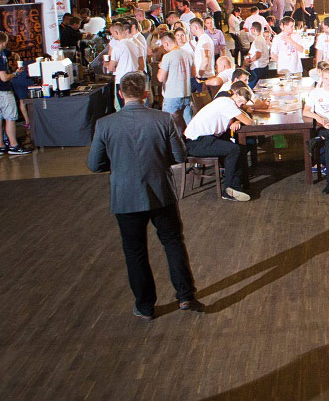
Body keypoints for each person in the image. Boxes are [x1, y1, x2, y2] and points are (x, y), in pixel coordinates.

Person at [87, 71, 201, 320]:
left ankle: (145, 305)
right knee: (172, 242)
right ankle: (185, 296)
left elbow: (94, 164)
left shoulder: (105, 124)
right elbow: (180, 156)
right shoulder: (164, 119)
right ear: (146, 94)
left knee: (135, 251)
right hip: (161, 192)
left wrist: (118, 165)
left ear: (120, 94)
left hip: (125, 196)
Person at [182, 82, 254, 201]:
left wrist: (237, 121)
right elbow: (249, 122)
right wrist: (241, 119)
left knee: (239, 148)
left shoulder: (227, 102)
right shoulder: (227, 104)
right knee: (234, 149)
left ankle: (237, 186)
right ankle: (228, 190)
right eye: (240, 102)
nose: (240, 105)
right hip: (196, 143)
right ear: (234, 94)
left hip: (206, 139)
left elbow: (243, 118)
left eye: (242, 104)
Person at [0, 32, 30, 156]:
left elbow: (9, 53)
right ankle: (13, 145)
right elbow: (3, 77)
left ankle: (1, 146)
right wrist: (16, 73)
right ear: (4, 43)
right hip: (2, 92)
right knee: (10, 118)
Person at [157, 32, 194, 123]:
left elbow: (160, 78)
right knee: (187, 124)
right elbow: (193, 73)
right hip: (186, 93)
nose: (164, 48)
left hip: (172, 95)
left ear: (166, 43)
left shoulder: (167, 57)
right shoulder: (188, 54)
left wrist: (160, 68)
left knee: (169, 124)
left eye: (163, 45)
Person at [244, 23, 270, 87]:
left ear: (254, 29)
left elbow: (258, 54)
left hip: (258, 68)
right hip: (261, 67)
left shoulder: (258, 40)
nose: (250, 30)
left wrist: (250, 60)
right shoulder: (260, 38)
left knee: (252, 86)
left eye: (251, 28)